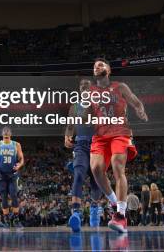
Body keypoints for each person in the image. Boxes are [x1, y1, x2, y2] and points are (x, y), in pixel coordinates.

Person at [88, 58, 148, 234]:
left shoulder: (120, 87)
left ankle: (121, 216)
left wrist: (140, 110)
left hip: (120, 132)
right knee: (97, 169)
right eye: (95, 65)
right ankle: (115, 202)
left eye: (101, 64)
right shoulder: (89, 91)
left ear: (108, 70)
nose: (97, 66)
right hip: (99, 136)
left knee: (117, 166)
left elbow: (136, 101)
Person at [64, 78, 103, 232]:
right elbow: (70, 124)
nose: (84, 88)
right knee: (79, 174)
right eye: (82, 86)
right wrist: (67, 135)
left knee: (95, 180)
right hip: (80, 145)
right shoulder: (75, 106)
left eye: (87, 86)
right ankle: (76, 213)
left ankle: (94, 208)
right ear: (80, 89)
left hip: (96, 144)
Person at [0, 127, 24, 227]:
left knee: (13, 195)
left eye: (8, 132)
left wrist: (19, 165)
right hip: (1, 174)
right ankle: (6, 218)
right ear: (2, 134)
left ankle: (16, 218)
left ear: (10, 134)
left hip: (13, 174)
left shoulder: (16, 145)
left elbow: (21, 159)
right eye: (5, 133)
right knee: (3, 197)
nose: (6, 134)